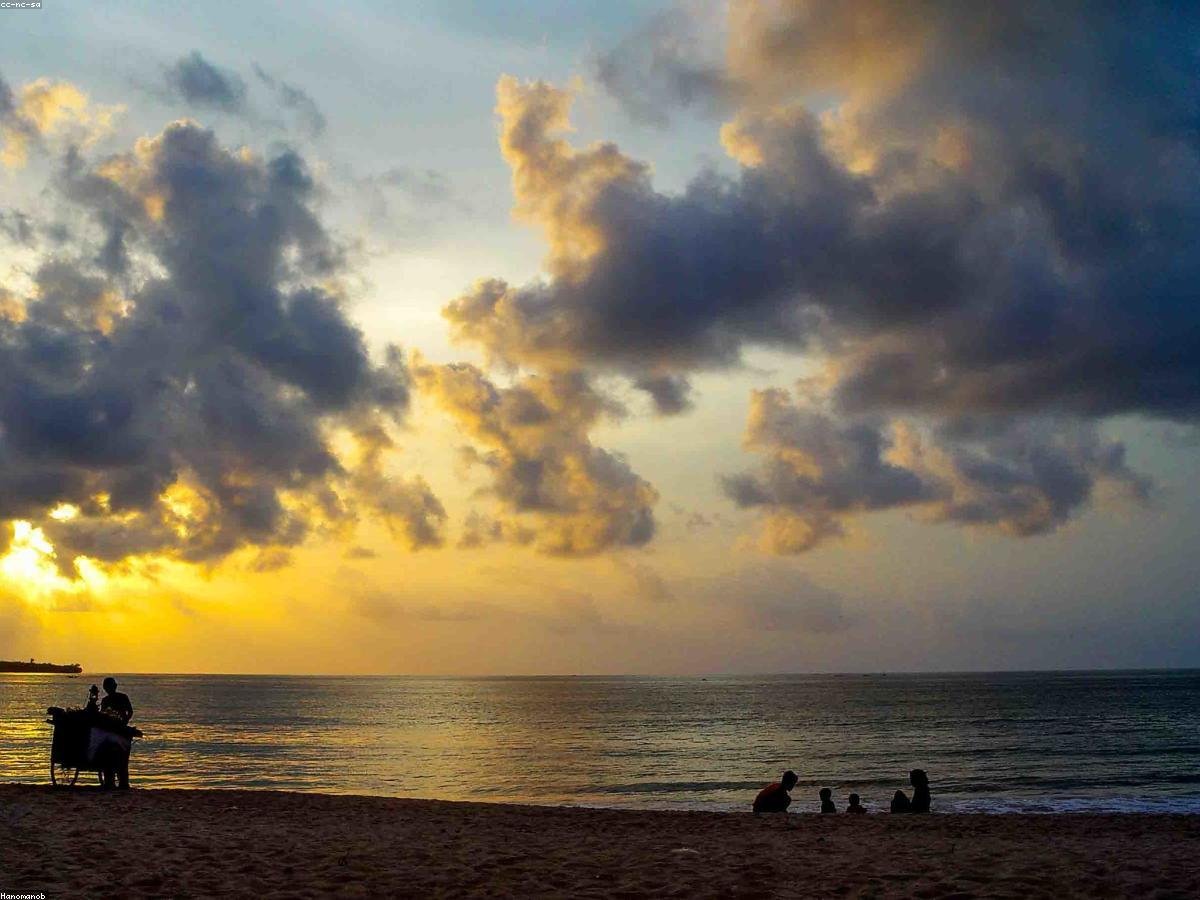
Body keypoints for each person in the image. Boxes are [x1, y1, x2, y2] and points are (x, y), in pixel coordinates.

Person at [97, 677, 134, 789]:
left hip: (118, 730)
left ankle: (117, 782)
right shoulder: (107, 700)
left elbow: (130, 712)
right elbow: (130, 712)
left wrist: (124, 721)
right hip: (114, 730)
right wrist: (125, 721)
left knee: (119, 757)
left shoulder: (120, 698)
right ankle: (116, 782)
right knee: (121, 758)